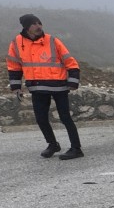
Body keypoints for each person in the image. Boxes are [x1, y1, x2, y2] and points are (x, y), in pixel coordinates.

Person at [7, 14, 84, 159]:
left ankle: (76, 149)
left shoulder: (52, 41)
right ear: (26, 27)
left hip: (59, 87)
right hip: (37, 88)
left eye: (39, 23)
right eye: (34, 24)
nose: (38, 26)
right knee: (41, 119)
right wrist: (16, 87)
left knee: (65, 118)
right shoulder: (16, 43)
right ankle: (53, 144)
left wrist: (73, 82)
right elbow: (14, 67)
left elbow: (70, 62)